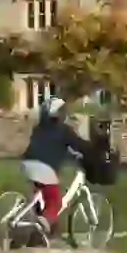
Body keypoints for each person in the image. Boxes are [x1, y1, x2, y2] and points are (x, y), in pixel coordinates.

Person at [20, 97, 93, 239]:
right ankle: (44, 222)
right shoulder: (64, 130)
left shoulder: (38, 129)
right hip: (45, 169)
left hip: (28, 165)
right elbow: (80, 145)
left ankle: (45, 231)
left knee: (42, 197)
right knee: (56, 202)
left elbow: (51, 146)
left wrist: (69, 154)